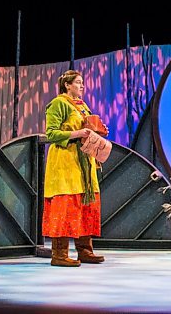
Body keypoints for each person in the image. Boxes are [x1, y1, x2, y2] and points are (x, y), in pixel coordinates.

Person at [42, 70, 105, 267]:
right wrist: (78, 133)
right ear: (67, 85)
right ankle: (59, 254)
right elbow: (51, 134)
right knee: (66, 204)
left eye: (82, 83)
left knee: (85, 204)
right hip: (65, 162)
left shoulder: (82, 106)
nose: (82, 86)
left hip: (83, 161)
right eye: (78, 82)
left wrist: (97, 132)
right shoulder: (58, 103)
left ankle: (84, 251)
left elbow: (87, 127)